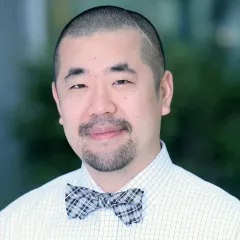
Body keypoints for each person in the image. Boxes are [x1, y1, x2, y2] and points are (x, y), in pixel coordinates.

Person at [0, 5, 239, 240]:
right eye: (79, 85)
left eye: (121, 81)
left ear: (164, 92)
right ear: (58, 102)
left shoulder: (227, 226)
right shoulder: (14, 226)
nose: (100, 106)